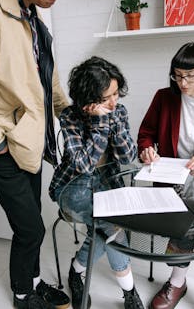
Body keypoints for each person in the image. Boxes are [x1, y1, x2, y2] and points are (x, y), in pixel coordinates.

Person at [0, 0, 71, 308]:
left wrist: (68, 113)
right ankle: (22, 295)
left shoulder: (30, 12)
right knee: (31, 229)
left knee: (34, 222)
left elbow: (45, 75)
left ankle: (35, 281)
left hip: (30, 141)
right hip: (4, 144)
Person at [137, 42, 194, 309]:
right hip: (172, 179)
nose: (182, 82)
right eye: (177, 75)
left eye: (190, 76)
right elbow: (146, 134)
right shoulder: (164, 97)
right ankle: (180, 281)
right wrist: (146, 150)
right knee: (183, 230)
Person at [49, 56, 145, 309]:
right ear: (88, 99)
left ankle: (77, 271)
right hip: (73, 187)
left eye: (116, 94)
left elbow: (128, 156)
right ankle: (129, 292)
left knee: (108, 226)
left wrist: (111, 121)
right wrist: (100, 124)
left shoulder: (118, 111)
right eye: (106, 98)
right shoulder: (70, 117)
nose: (114, 102)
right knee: (113, 224)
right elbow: (83, 164)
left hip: (108, 182)